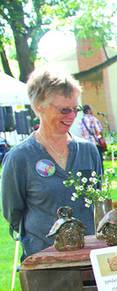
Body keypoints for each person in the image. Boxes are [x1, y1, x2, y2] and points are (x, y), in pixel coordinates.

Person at [1, 68, 103, 259]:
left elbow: (98, 201)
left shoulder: (89, 151)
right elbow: (12, 212)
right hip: (44, 261)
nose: (72, 116)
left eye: (75, 109)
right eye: (64, 110)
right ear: (39, 106)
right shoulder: (19, 158)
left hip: (90, 258)